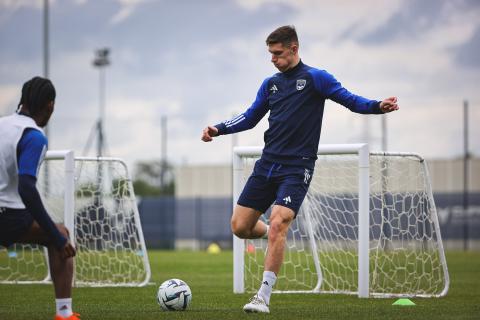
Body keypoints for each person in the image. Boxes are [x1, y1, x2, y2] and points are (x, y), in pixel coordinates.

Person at [201, 25, 399, 313]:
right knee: (240, 227)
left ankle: (262, 297)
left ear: (294, 49)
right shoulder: (270, 84)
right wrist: (217, 129)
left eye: (277, 53)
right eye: (270, 54)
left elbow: (351, 100)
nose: (273, 59)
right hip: (267, 164)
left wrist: (377, 106)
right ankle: (273, 233)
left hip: (297, 167)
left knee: (281, 223)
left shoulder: (317, 78)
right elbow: (250, 117)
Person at [0, 77, 80, 320]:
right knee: (61, 236)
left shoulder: (2, 125)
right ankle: (64, 314)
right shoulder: (34, 137)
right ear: (50, 106)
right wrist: (56, 236)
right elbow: (26, 187)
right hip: (8, 215)